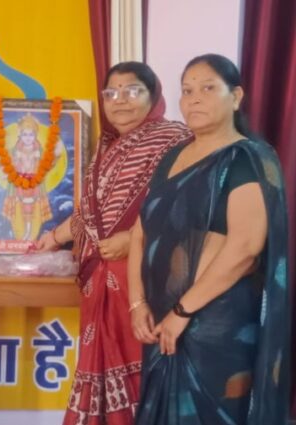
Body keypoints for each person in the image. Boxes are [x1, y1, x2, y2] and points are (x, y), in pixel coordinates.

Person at [128, 54, 290, 425]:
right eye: (187, 91)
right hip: (163, 320)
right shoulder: (172, 157)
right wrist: (137, 303)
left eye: (207, 88)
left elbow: (245, 249)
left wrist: (183, 312)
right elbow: (141, 230)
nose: (194, 98)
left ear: (236, 97)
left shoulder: (247, 159)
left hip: (218, 326)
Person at [35, 62, 193, 424]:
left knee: (145, 370)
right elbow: (90, 216)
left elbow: (184, 207)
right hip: (100, 281)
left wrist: (134, 238)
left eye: (132, 91)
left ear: (153, 96)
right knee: (101, 368)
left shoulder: (174, 140)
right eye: (111, 92)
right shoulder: (106, 148)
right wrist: (52, 238)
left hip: (144, 280)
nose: (120, 100)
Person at [2, 113, 54, 241]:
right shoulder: (15, 151)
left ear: (35, 135)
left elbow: (47, 165)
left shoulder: (40, 151)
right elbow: (10, 166)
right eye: (25, 134)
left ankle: (31, 235)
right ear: (20, 135)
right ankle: (21, 236)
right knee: (19, 209)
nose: (28, 138)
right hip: (19, 185)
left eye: (31, 134)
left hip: (35, 186)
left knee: (33, 209)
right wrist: (8, 174)